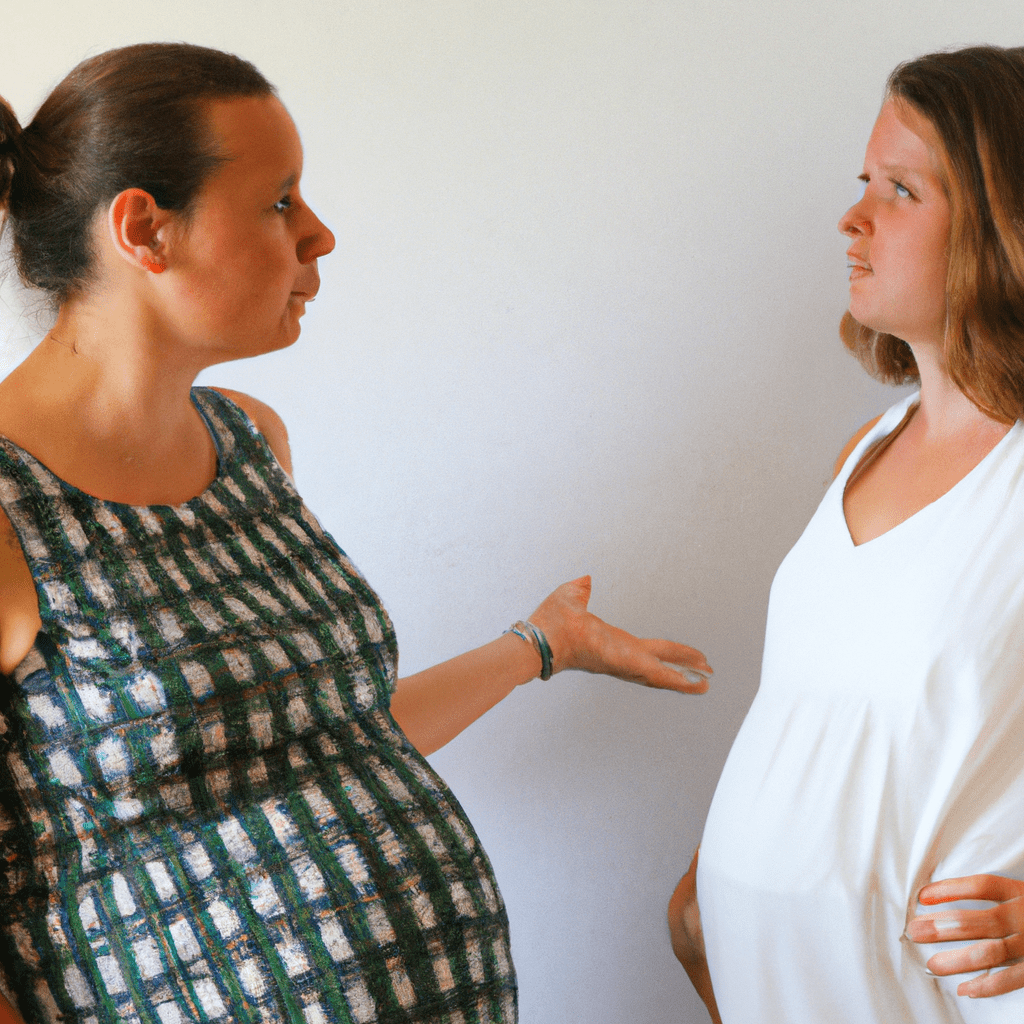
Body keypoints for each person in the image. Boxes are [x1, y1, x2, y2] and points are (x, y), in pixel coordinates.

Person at [0, 43, 713, 1024]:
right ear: (144, 229)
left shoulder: (249, 439)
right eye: (279, 201)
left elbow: (324, 742)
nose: (319, 234)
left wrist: (540, 645)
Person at [668, 44, 1024, 1023]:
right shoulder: (862, 454)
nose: (851, 217)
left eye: (900, 190)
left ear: (1003, 223)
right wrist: (708, 907)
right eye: (862, 182)